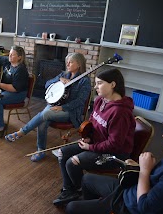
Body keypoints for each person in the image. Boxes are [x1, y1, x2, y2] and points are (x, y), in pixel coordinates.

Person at [53, 68, 135, 206]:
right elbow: (92, 121)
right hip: (97, 144)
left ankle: (82, 190)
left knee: (73, 162)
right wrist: (89, 136)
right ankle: (70, 190)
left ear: (113, 85)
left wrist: (90, 147)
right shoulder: (99, 100)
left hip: (115, 154)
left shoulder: (120, 112)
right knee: (62, 153)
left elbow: (115, 144)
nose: (95, 87)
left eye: (99, 83)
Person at [4, 53, 91, 162]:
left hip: (71, 112)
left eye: (71, 62)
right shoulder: (64, 74)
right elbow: (47, 84)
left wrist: (63, 107)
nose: (67, 64)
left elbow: (80, 101)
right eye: (67, 61)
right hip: (55, 106)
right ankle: (41, 150)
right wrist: (58, 80)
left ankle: (21, 132)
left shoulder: (84, 81)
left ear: (79, 64)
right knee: (43, 121)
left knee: (45, 114)